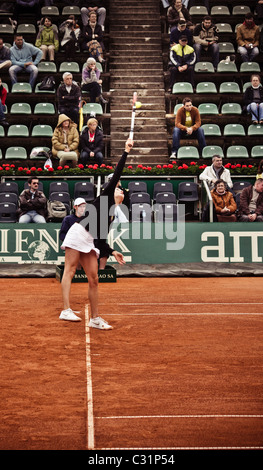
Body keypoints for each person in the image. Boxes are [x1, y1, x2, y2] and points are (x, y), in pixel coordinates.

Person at [59, 139, 133, 327]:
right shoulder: (106, 196)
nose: (119, 190)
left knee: (94, 279)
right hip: (78, 234)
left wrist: (113, 251)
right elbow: (117, 174)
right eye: (117, 188)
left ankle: (94, 318)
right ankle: (66, 310)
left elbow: (99, 241)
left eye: (121, 191)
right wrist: (125, 151)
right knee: (70, 270)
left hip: (90, 242)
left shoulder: (111, 216)